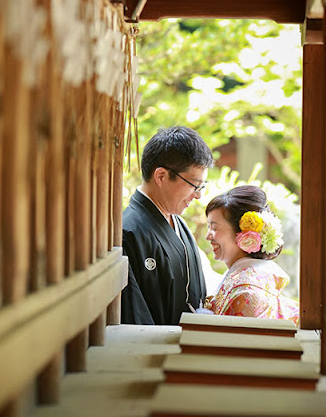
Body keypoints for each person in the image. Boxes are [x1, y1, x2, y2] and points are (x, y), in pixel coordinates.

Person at [121, 126, 219, 325]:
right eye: (194, 184)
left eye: (202, 185)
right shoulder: (127, 231)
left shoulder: (178, 223)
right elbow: (134, 314)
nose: (198, 194)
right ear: (161, 176)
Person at [205, 185, 299, 325]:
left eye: (214, 228)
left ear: (243, 233)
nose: (208, 236)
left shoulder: (246, 291)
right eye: (208, 227)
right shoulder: (250, 277)